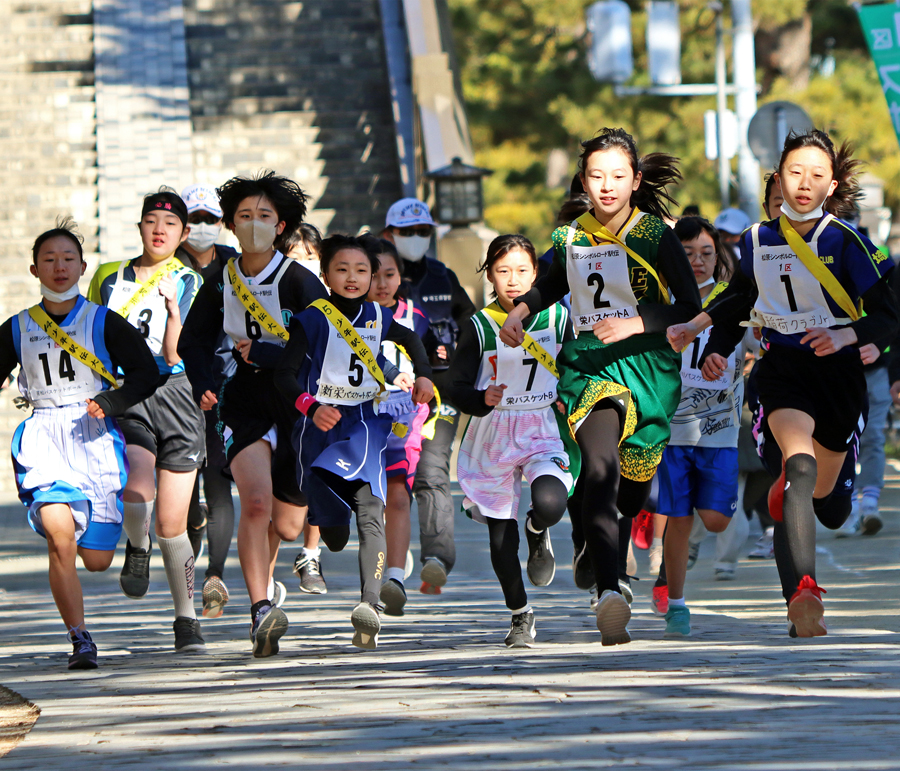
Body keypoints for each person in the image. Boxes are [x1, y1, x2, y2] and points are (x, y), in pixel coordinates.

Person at [668, 129, 898, 637]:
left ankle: (826, 495)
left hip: (837, 379)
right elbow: (738, 302)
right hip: (782, 372)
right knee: (797, 466)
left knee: (831, 506)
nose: (804, 184)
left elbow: (889, 311)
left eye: (817, 175)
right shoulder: (754, 239)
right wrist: (714, 346)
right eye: (795, 172)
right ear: (778, 177)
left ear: (831, 184)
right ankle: (802, 594)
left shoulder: (845, 239)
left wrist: (850, 335)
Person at [499, 127, 701, 645]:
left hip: (648, 370)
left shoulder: (656, 236)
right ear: (583, 181)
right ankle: (610, 593)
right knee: (600, 470)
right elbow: (550, 281)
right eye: (595, 176)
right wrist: (521, 310)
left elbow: (689, 308)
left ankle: (595, 541)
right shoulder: (572, 237)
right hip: (590, 368)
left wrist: (637, 322)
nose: (606, 186)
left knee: (634, 494)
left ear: (635, 180)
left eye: (617, 176)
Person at [178, 171, 328, 657]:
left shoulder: (300, 281)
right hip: (242, 401)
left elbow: (327, 343)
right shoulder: (219, 277)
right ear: (230, 224)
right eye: (244, 216)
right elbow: (192, 339)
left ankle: (270, 577)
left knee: (286, 525)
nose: (254, 224)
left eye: (264, 216)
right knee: (256, 504)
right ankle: (261, 609)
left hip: (296, 402)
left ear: (281, 225)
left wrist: (268, 354)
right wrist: (203, 382)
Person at [4, 221, 158, 669]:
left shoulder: (103, 321)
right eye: (49, 259)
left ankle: (136, 537)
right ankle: (80, 638)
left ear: (82, 267)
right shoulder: (17, 327)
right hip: (45, 439)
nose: (59, 267)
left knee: (95, 559)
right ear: (34, 269)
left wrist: (110, 401)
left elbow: (147, 374)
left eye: (68, 259)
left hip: (94, 438)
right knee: (60, 538)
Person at [274, 235, 433, 649]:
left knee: (370, 507)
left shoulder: (380, 316)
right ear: (325, 275)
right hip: (319, 425)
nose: (353, 277)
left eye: (362, 270)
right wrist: (309, 406)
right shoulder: (311, 318)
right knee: (334, 533)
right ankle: (329, 523)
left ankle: (369, 606)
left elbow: (413, 341)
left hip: (364, 422)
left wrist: (425, 375)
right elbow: (284, 375)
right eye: (342, 269)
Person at [88, 189, 207, 653]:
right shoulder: (107, 277)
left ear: (183, 233)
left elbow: (177, 355)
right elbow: (91, 336)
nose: (160, 230)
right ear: (139, 226)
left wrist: (174, 311)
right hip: (128, 393)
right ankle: (137, 548)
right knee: (136, 485)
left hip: (176, 394)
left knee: (173, 523)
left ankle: (186, 618)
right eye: (152, 221)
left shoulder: (190, 280)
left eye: (171, 224)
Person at [448, 234, 574, 647]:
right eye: (503, 271)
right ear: (490, 276)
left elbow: (577, 367)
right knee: (501, 537)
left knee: (552, 503)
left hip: (543, 427)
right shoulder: (479, 326)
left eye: (522, 271)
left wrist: (570, 397)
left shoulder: (558, 318)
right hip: (494, 432)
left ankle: (538, 527)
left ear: (537, 274)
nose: (513, 280)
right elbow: (456, 385)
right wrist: (480, 398)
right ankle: (521, 615)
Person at [655, 217, 744, 637]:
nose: (698, 261)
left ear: (719, 256)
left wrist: (744, 359)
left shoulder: (736, 300)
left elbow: (760, 343)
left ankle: (680, 561)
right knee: (679, 516)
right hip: (674, 431)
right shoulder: (664, 301)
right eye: (688, 253)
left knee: (715, 520)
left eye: (707, 253)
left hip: (720, 431)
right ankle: (676, 603)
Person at [383, 198, 474, 593]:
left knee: (433, 468)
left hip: (440, 392)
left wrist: (456, 354)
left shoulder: (444, 277)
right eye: (407, 232)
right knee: (392, 478)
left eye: (423, 231)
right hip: (384, 396)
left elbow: (473, 329)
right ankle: (390, 557)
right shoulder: (373, 274)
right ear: (389, 234)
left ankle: (437, 556)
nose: (416, 238)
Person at [177, 184, 241, 618]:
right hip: (171, 391)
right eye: (193, 218)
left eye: (209, 219)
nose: (201, 227)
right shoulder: (163, 268)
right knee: (182, 490)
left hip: (222, 386)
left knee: (218, 480)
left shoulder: (236, 268)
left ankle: (214, 575)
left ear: (221, 225)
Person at [365, 237, 436, 615]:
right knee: (367, 502)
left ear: (400, 276)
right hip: (357, 414)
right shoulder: (343, 316)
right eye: (370, 274)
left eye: (388, 274)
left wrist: (425, 382)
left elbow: (433, 358)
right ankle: (373, 576)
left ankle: (391, 577)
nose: (380, 283)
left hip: (404, 416)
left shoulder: (415, 318)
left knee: (396, 494)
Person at [282, 220, 328, 594]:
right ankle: (263, 585)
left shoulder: (331, 303)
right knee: (281, 513)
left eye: (310, 257)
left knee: (317, 470)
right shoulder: (265, 293)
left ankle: (311, 553)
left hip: (315, 400)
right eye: (294, 257)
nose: (302, 264)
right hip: (269, 396)